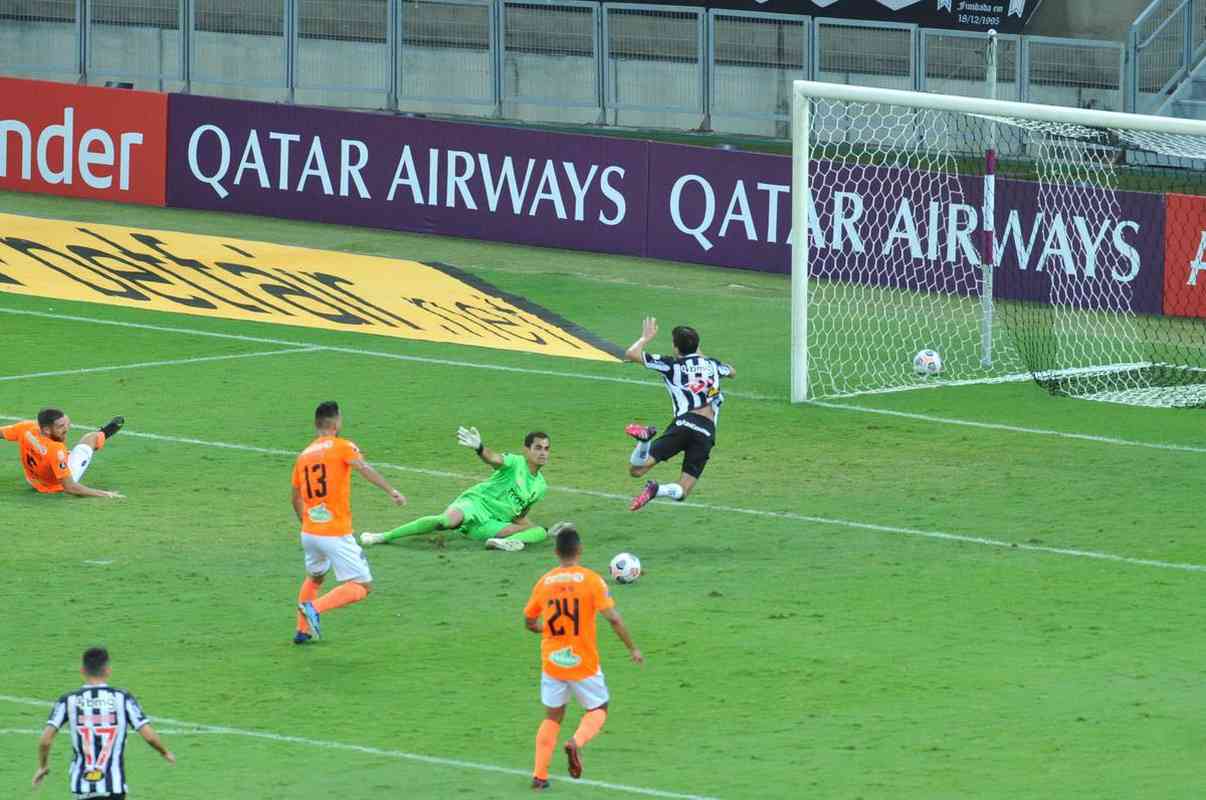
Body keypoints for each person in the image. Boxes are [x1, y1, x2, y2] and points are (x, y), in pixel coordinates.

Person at [523, 523, 643, 789]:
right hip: (582, 662)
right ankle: (575, 742)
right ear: (580, 550)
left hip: (552, 662)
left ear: (556, 552)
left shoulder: (544, 581)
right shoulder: (592, 580)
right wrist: (632, 648)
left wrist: (549, 628)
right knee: (599, 708)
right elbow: (613, 619)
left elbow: (529, 621)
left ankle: (539, 776)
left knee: (553, 716)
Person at [292, 401, 407, 644]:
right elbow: (363, 467)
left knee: (315, 578)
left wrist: (307, 524)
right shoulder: (343, 446)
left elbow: (295, 498)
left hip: (309, 532)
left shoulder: (303, 456)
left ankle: (302, 631)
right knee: (362, 586)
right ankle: (313, 608)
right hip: (335, 533)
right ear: (336, 423)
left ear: (316, 424)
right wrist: (391, 490)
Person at [361, 428, 550, 553]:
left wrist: (531, 528)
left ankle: (504, 543)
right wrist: (480, 448)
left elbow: (519, 514)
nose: (543, 453)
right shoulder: (515, 462)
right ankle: (383, 536)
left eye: (546, 449)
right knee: (446, 522)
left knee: (541, 531)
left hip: (491, 523)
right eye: (538, 448)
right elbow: (494, 458)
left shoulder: (540, 487)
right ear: (526, 450)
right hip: (475, 504)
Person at [622, 317, 735, 510]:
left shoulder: (672, 365)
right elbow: (732, 371)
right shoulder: (714, 365)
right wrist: (703, 358)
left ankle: (644, 441)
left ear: (676, 348)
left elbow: (631, 354)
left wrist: (645, 338)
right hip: (706, 432)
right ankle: (658, 490)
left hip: (684, 423)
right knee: (683, 491)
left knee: (636, 470)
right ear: (698, 345)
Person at [33, 647, 175, 799]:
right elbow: (149, 737)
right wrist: (164, 752)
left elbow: (45, 741)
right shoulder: (123, 698)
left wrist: (43, 766)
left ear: (82, 671)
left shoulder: (68, 700)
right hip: (114, 788)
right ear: (108, 670)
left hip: (83, 788)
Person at [2, 409, 125, 498]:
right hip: (54, 486)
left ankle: (71, 453)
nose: (66, 428)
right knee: (90, 438)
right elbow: (70, 487)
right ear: (46, 429)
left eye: (66, 423)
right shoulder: (55, 449)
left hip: (32, 479)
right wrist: (104, 494)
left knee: (64, 454)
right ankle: (103, 433)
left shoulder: (26, 427)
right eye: (61, 426)